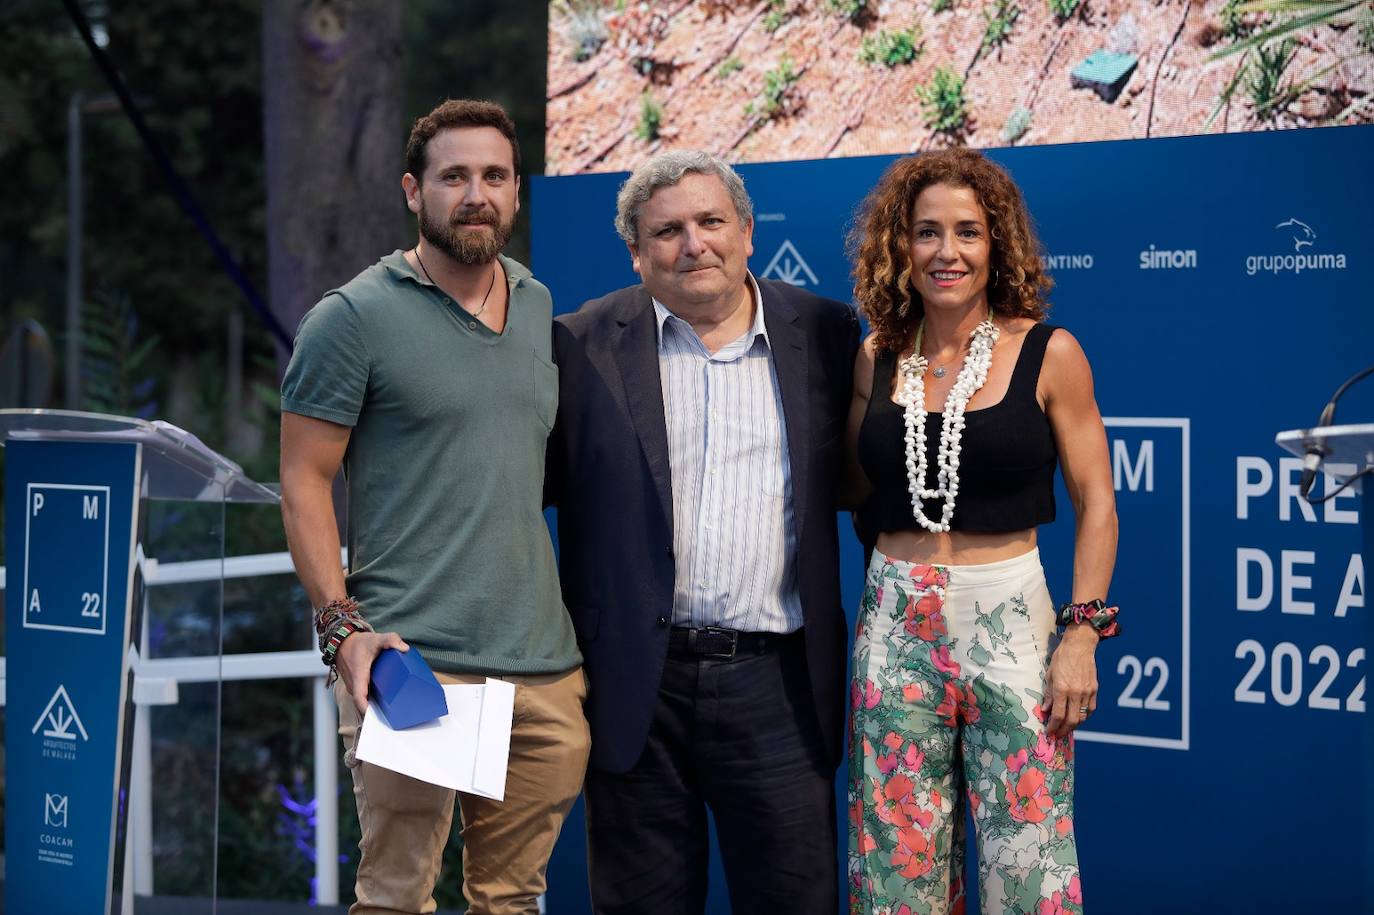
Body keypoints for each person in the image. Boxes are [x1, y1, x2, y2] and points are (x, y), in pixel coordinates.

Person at [279, 98, 589, 915]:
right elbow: (305, 481)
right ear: (414, 191)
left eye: (494, 176)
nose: (476, 193)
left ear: (518, 193)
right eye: (454, 176)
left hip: (542, 669)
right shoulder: (352, 318)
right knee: (395, 899)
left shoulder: (535, 304)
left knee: (512, 900)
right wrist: (341, 627)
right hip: (415, 660)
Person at [548, 149, 860, 914]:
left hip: (778, 687)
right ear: (636, 251)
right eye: (668, 231)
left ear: (747, 231)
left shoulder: (825, 335)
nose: (694, 244)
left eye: (711, 221)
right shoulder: (577, 344)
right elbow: (521, 496)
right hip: (633, 690)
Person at [845, 148, 1119, 915]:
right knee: (894, 869)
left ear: (996, 243)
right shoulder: (876, 356)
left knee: (1027, 862)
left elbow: (1097, 500)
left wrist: (1082, 634)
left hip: (1012, 622)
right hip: (893, 623)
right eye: (926, 232)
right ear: (900, 245)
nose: (947, 251)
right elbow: (856, 487)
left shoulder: (1049, 352)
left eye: (967, 231)